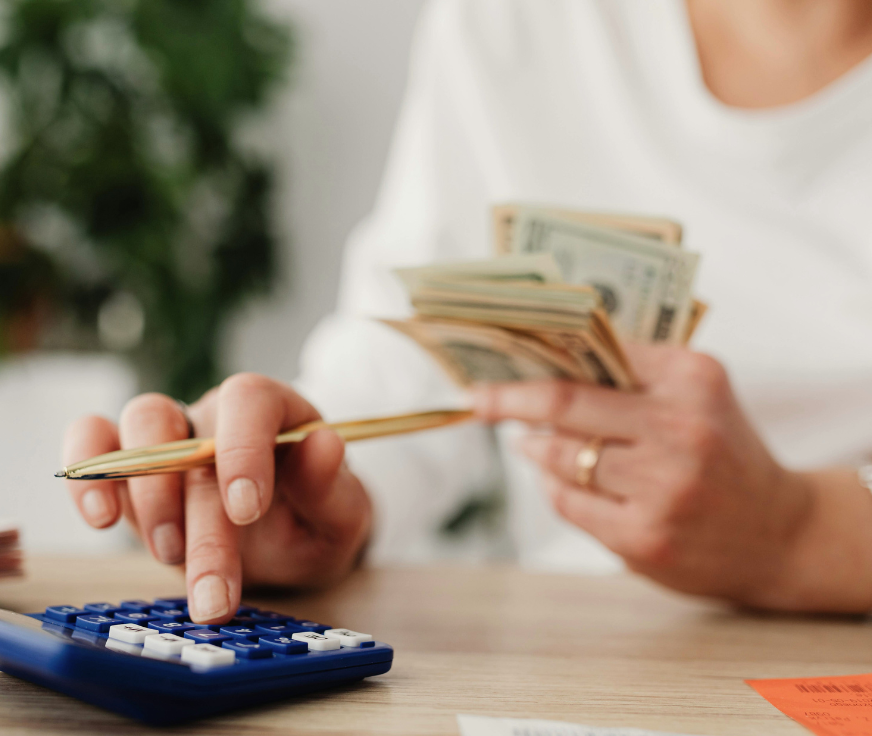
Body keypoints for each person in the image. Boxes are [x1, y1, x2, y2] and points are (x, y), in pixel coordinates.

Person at [64, 0, 872, 623]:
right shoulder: (517, 24)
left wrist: (796, 535)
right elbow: (416, 354)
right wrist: (312, 483)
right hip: (580, 666)